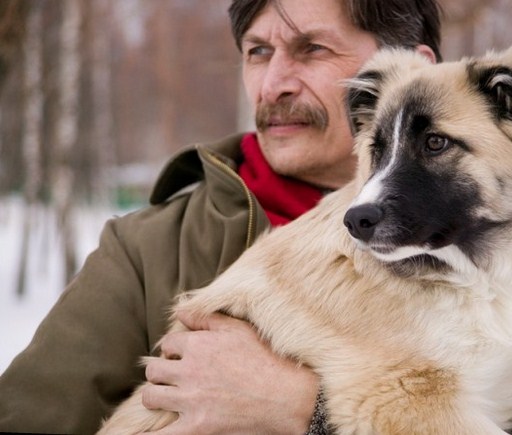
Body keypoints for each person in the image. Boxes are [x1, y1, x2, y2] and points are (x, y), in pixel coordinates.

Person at [0, 0, 444, 433]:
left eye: (312, 49)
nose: (273, 85)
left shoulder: (497, 254)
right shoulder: (147, 251)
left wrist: (311, 412)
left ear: (412, 66)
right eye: (258, 52)